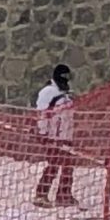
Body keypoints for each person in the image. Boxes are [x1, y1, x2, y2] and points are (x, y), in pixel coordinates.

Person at [32, 62, 80, 208]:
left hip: (66, 135)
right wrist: (43, 132)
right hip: (53, 135)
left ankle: (64, 194)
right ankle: (41, 194)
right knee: (53, 164)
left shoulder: (67, 94)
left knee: (68, 165)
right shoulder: (48, 92)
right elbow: (42, 113)